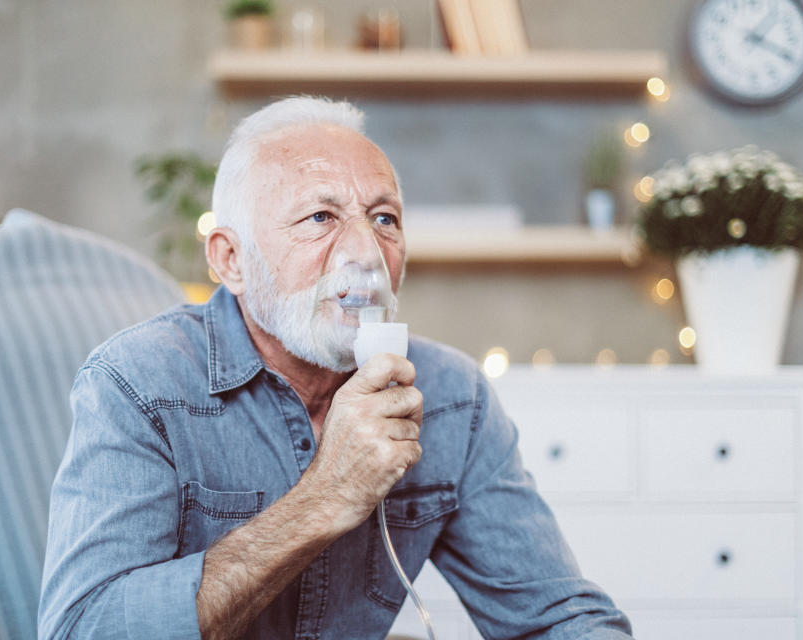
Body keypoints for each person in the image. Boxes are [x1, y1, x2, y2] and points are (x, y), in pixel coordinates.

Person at [38, 96, 633, 640]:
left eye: (385, 219)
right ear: (231, 259)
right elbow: (83, 629)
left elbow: (556, 617)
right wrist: (326, 496)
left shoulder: (453, 397)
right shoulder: (138, 382)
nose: (367, 255)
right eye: (321, 218)